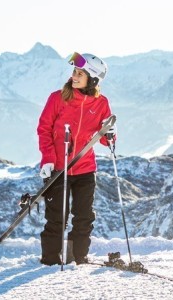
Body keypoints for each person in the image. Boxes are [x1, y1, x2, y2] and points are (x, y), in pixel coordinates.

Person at [36, 52, 114, 265]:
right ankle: (50, 260)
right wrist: (48, 159)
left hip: (85, 168)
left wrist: (110, 133)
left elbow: (105, 140)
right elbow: (44, 130)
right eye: (74, 72)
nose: (74, 76)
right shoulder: (58, 98)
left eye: (80, 73)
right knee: (56, 218)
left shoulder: (101, 103)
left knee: (83, 218)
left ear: (93, 79)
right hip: (58, 169)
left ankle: (77, 258)